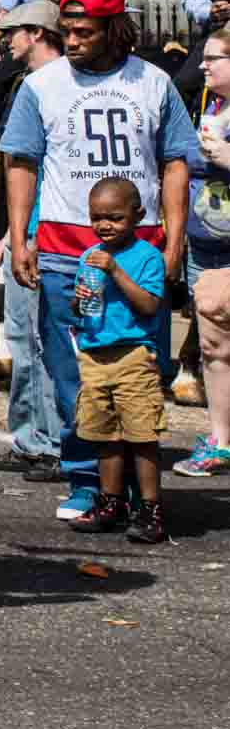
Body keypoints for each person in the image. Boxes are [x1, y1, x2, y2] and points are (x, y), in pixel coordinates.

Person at [1, 0, 196, 526]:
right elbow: (20, 162)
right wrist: (21, 237)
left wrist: (174, 241)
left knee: (139, 371)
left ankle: (139, 487)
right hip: (66, 251)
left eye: (84, 31)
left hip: (141, 252)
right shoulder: (41, 86)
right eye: (66, 30)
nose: (74, 40)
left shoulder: (154, 83)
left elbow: (176, 163)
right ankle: (88, 482)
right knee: (74, 373)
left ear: (113, 29)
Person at [0, 10, 68, 479]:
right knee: (20, 338)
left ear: (36, 33)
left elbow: (49, 174)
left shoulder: (56, 88)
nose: (5, 42)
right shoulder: (28, 85)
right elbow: (22, 176)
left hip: (49, 237)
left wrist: (31, 235)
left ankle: (54, 441)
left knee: (44, 341)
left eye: (13, 32)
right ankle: (29, 437)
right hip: (26, 233)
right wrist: (9, 234)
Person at [63, 177, 169, 542]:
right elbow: (82, 309)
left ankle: (150, 508)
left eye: (115, 217)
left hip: (134, 356)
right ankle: (112, 501)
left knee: (141, 436)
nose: (105, 225)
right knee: (103, 434)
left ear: (137, 216)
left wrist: (115, 272)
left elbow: (149, 305)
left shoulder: (147, 257)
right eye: (97, 218)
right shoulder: (88, 257)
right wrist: (78, 299)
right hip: (95, 355)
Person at [173, 31, 230, 478]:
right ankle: (219, 439)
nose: (203, 67)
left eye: (213, 59)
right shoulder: (210, 108)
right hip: (205, 244)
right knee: (213, 346)